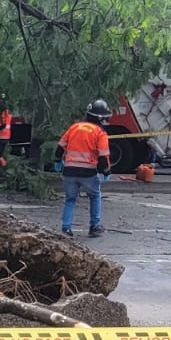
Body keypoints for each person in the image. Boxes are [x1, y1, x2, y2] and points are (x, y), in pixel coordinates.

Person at [54, 99, 112, 238]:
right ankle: (94, 226)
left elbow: (61, 146)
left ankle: (66, 228)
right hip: (88, 172)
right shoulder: (100, 132)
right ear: (100, 118)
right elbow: (103, 155)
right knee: (95, 196)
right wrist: (106, 171)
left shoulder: (74, 127)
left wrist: (57, 161)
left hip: (69, 171)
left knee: (70, 199)